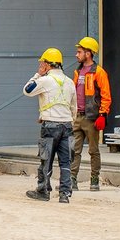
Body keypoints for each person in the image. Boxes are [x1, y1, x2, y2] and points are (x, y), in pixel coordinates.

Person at [23, 48, 77, 204]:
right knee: (66, 161)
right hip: (67, 126)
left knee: (46, 160)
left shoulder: (45, 80)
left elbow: (27, 90)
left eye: (42, 63)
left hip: (50, 126)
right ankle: (65, 194)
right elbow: (74, 107)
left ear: (47, 65)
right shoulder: (69, 82)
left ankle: (43, 191)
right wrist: (69, 121)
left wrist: (37, 74)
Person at [70, 37, 112, 191]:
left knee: (93, 150)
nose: (77, 54)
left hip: (91, 118)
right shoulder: (77, 71)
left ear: (88, 53)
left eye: (79, 52)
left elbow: (106, 96)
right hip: (78, 116)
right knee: (74, 150)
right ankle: (72, 179)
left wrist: (102, 115)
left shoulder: (98, 72)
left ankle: (94, 179)